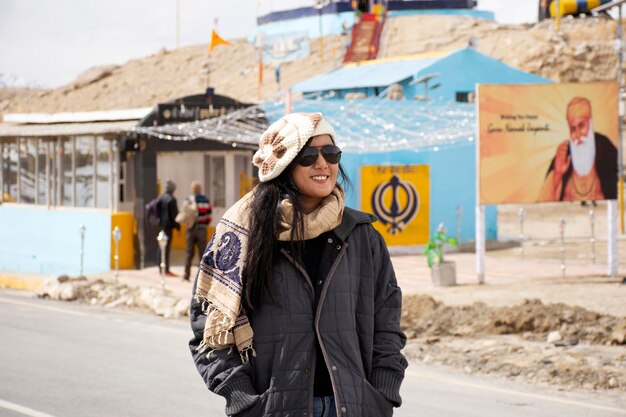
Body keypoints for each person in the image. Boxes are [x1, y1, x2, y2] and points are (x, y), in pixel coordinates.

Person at [189, 112, 407, 417]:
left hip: (353, 407)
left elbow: (386, 320)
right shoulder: (243, 235)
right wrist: (241, 397)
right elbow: (207, 325)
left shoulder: (360, 235)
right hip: (275, 409)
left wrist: (383, 392)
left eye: (331, 153)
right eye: (308, 155)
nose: (323, 164)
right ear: (283, 164)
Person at [538, 97, 618, 202]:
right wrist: (557, 175)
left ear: (590, 123)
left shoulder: (606, 151)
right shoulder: (564, 155)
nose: (578, 135)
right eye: (573, 129)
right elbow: (542, 207)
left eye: (581, 126)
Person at [183, 181, 212, 282]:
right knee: (202, 253)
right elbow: (209, 216)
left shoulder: (188, 200)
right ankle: (201, 277)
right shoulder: (205, 200)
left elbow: (184, 214)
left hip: (191, 229)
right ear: (200, 189)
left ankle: (186, 275)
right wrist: (204, 223)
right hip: (202, 230)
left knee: (189, 252)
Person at [157, 179, 180, 276]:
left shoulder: (161, 198)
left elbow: (157, 212)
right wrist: (178, 227)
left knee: (161, 247)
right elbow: (174, 215)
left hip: (161, 225)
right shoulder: (172, 199)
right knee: (167, 248)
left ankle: (160, 267)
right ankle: (166, 269)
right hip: (168, 227)